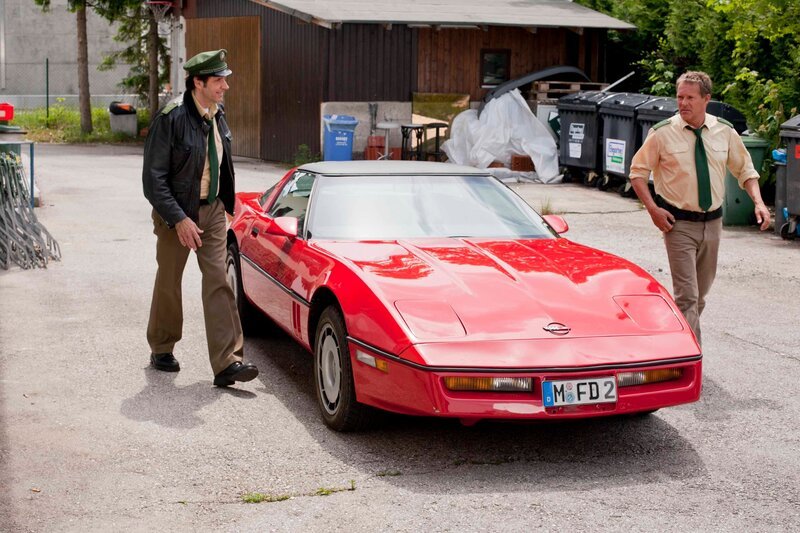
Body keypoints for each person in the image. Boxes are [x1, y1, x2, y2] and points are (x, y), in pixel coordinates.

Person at [142, 49, 258, 387]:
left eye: (225, 79)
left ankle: (227, 363)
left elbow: (219, 163)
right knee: (170, 280)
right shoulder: (171, 118)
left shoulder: (217, 114)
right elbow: (154, 180)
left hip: (212, 211)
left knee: (219, 280)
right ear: (198, 82)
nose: (225, 86)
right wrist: (179, 219)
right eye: (219, 80)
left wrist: (223, 204)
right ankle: (161, 347)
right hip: (175, 214)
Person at [629, 71, 770, 345]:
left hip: (713, 224)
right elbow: (637, 172)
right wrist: (653, 210)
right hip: (677, 224)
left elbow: (746, 171)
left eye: (690, 98)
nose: (683, 103)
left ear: (706, 99)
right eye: (679, 97)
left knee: (699, 296)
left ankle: (675, 335)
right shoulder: (662, 134)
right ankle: (691, 358)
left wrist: (759, 203)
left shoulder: (725, 132)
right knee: (687, 296)